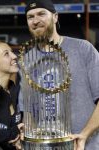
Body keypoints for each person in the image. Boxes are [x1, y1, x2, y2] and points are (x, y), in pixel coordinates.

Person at [18, 0, 99, 150]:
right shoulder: (27, 61)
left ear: (55, 17)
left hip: (85, 145)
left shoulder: (83, 49)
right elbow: (28, 110)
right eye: (30, 17)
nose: (36, 21)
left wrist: (85, 134)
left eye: (41, 14)